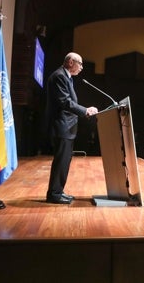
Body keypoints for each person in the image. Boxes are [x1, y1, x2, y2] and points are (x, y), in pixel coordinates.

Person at [45, 52, 98, 204]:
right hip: (62, 126)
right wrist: (85, 110)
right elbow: (65, 102)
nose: (81, 67)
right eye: (80, 63)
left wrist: (83, 111)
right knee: (61, 161)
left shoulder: (66, 77)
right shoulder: (59, 76)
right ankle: (54, 194)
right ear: (70, 62)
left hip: (67, 127)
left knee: (64, 161)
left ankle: (58, 191)